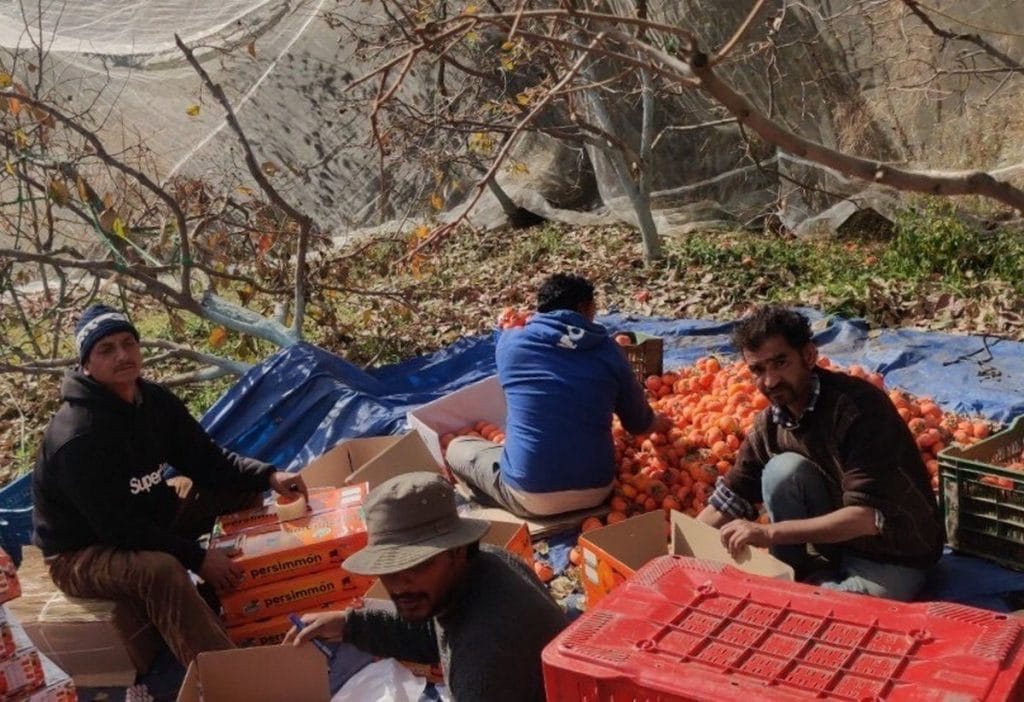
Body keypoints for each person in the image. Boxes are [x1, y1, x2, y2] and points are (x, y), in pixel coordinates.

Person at [32, 303, 308, 666]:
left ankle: (231, 604)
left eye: (128, 343)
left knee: (237, 490)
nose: (122, 355)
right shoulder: (77, 437)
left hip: (146, 512)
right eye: (106, 349)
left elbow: (209, 462)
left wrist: (270, 475)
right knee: (163, 569)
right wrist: (197, 557)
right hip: (83, 550)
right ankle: (227, 674)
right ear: (87, 364)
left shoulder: (154, 401)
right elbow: (118, 529)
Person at [697, 305, 943, 602]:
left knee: (833, 612)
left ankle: (808, 590)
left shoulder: (859, 410)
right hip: (838, 545)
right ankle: (792, 572)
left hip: (894, 552)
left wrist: (768, 534)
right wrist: (675, 551)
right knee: (780, 470)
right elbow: (732, 497)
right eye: (758, 370)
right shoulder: (770, 424)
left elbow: (866, 518)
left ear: (809, 356)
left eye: (780, 363)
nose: (770, 381)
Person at [285, 471, 566, 702]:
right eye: (388, 571)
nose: (399, 586)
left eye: (417, 566)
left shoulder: (484, 662)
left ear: (456, 551)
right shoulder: (484, 563)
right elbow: (433, 632)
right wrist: (348, 624)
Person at [446, 273, 670, 517]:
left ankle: (493, 500)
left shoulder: (510, 344)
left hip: (531, 496)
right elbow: (639, 424)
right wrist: (663, 422)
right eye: (594, 308)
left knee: (457, 447)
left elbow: (511, 334)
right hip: (598, 490)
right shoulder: (610, 351)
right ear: (584, 307)